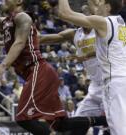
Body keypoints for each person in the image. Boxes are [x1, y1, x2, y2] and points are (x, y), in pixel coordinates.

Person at [0, 0, 108, 134]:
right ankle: (104, 120)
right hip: (45, 74)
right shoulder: (7, 23)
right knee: (59, 124)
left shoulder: (23, 17)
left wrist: (3, 65)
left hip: (39, 70)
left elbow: (20, 43)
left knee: (23, 118)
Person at [58, 0, 125, 134]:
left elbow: (64, 13)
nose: (97, 6)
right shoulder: (120, 22)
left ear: (107, 7)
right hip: (122, 79)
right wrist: (85, 56)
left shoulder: (103, 22)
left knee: (119, 130)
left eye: (100, 3)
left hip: (114, 82)